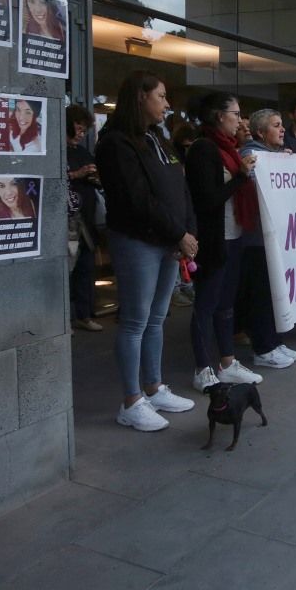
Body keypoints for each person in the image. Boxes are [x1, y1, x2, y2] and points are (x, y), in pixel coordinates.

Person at [94, 70, 199, 431]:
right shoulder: (115, 142)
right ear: (141, 97)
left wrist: (186, 233)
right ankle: (131, 400)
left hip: (168, 241)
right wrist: (178, 234)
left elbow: (179, 189)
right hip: (138, 241)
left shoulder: (157, 138)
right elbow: (138, 200)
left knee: (157, 318)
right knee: (136, 321)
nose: (167, 105)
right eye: (161, 97)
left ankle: (153, 387)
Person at [184, 92, 265, 392]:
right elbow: (207, 200)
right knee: (206, 303)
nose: (240, 120)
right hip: (214, 239)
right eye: (236, 113)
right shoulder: (204, 149)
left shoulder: (231, 149)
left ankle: (228, 363)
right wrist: (241, 177)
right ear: (219, 116)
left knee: (226, 303)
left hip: (234, 236)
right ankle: (203, 367)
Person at [237, 108, 296, 368]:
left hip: (276, 240)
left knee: (276, 293)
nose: (282, 129)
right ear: (261, 132)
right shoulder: (250, 156)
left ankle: (274, 341)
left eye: (282, 124)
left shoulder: (274, 156)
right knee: (262, 295)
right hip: (256, 241)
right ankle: (263, 349)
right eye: (276, 125)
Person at [67, 105, 102, 332]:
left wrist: (95, 177)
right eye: (78, 128)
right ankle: (66, 318)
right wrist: (76, 174)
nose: (81, 133)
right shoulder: (55, 149)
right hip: (68, 220)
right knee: (67, 269)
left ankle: (84, 313)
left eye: (85, 129)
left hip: (87, 220)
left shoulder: (82, 151)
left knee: (86, 267)